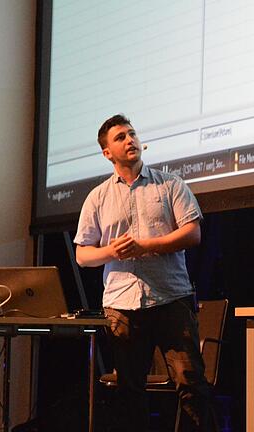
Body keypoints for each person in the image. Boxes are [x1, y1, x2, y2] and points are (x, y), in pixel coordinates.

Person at [74, 114, 215, 431]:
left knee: (191, 384)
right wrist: (112, 251)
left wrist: (145, 245)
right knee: (130, 391)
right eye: (120, 137)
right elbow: (83, 255)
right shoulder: (97, 197)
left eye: (132, 134)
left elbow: (193, 234)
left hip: (171, 298)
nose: (130, 140)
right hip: (122, 306)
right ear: (107, 152)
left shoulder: (170, 184)